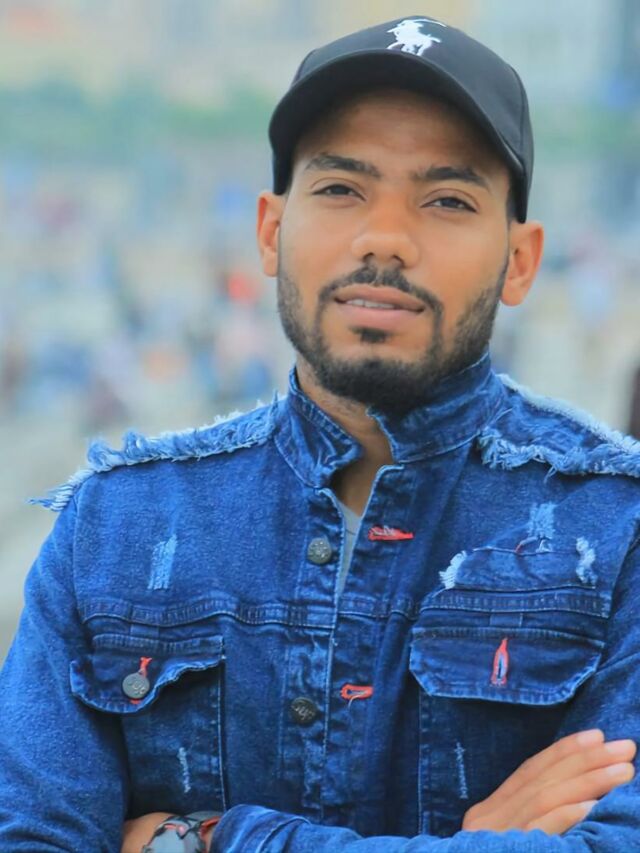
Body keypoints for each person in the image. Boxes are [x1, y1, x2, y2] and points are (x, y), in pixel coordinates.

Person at [1, 15, 639, 853]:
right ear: (271, 231)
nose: (385, 238)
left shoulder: (617, 530)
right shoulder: (118, 528)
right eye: (341, 189)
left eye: (447, 200)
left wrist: (208, 838)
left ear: (520, 260)